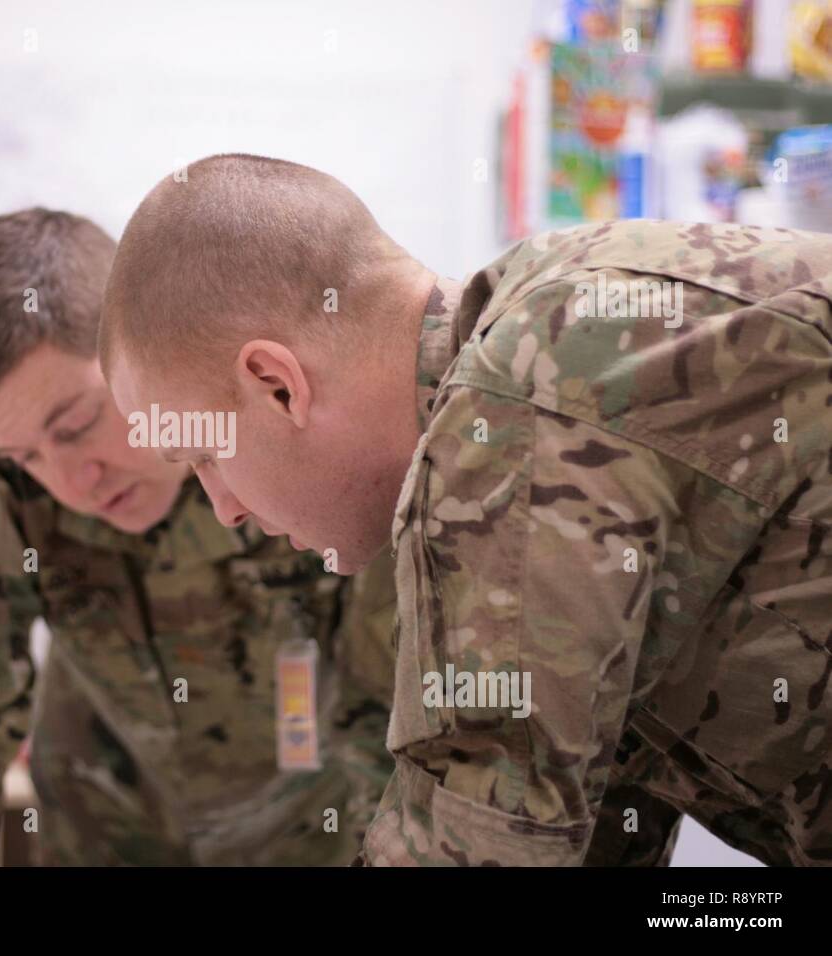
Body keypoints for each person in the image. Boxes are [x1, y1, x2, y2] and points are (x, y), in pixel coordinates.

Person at [99, 154, 832, 866]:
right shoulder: (541, 323)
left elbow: (477, 841)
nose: (221, 508)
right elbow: (583, 824)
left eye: (203, 454)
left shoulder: (510, 411)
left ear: (276, 384)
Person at [0, 207, 398, 866]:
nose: (71, 481)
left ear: (138, 348)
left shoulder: (278, 404)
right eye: (26, 460)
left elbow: (392, 707)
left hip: (314, 820)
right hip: (101, 817)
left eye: (76, 425)